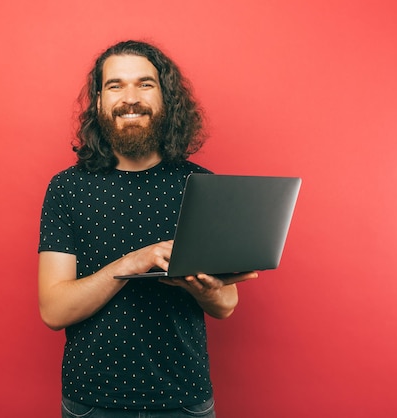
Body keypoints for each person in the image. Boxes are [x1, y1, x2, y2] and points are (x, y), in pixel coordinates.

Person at [38, 40, 257, 418]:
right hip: (92, 402)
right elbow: (54, 310)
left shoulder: (201, 186)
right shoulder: (66, 188)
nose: (130, 98)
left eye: (145, 84)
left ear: (165, 97)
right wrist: (134, 263)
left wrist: (204, 290)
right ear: (100, 102)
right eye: (115, 85)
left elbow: (226, 306)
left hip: (184, 400)